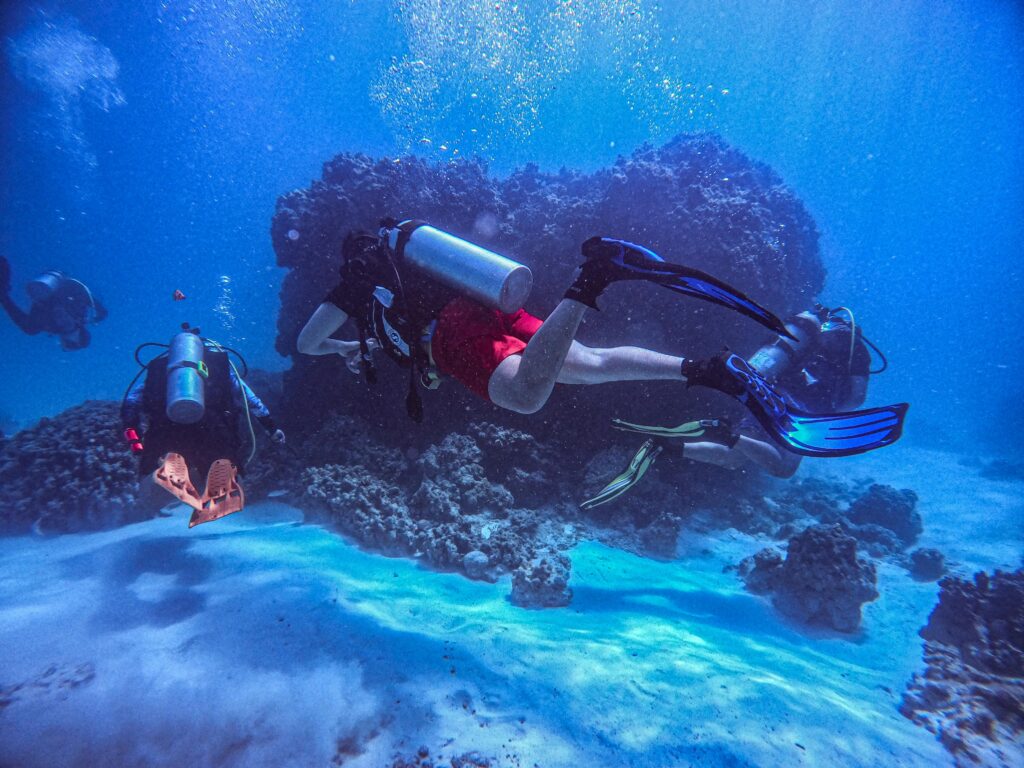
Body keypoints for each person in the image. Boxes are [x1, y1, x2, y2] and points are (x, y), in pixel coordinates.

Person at [299, 221, 905, 455]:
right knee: (585, 363)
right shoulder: (411, 271)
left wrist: (338, 340)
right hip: (475, 305)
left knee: (524, 396)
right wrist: (361, 349)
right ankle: (711, 369)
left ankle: (593, 280)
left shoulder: (357, 285)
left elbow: (306, 342)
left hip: (447, 334)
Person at [582, 305, 887, 508]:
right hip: (801, 414)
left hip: (766, 394)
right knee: (782, 467)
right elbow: (856, 398)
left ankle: (667, 445)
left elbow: (768, 359)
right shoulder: (854, 351)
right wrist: (829, 412)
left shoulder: (804, 334)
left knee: (734, 459)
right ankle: (721, 433)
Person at [121, 327, 285, 527]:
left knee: (153, 482)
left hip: (166, 432)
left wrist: (135, 441)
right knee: (225, 481)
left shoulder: (159, 367)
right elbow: (251, 399)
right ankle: (207, 490)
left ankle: (170, 486)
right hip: (212, 432)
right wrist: (271, 428)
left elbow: (131, 403)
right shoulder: (220, 364)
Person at [0, 255, 107, 350]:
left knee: (31, 328)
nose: (63, 342)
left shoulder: (79, 316)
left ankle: (3, 295)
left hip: (49, 297)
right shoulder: (72, 321)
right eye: (70, 344)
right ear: (77, 339)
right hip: (52, 297)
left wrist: (99, 310)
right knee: (30, 329)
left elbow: (85, 295)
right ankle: (3, 295)